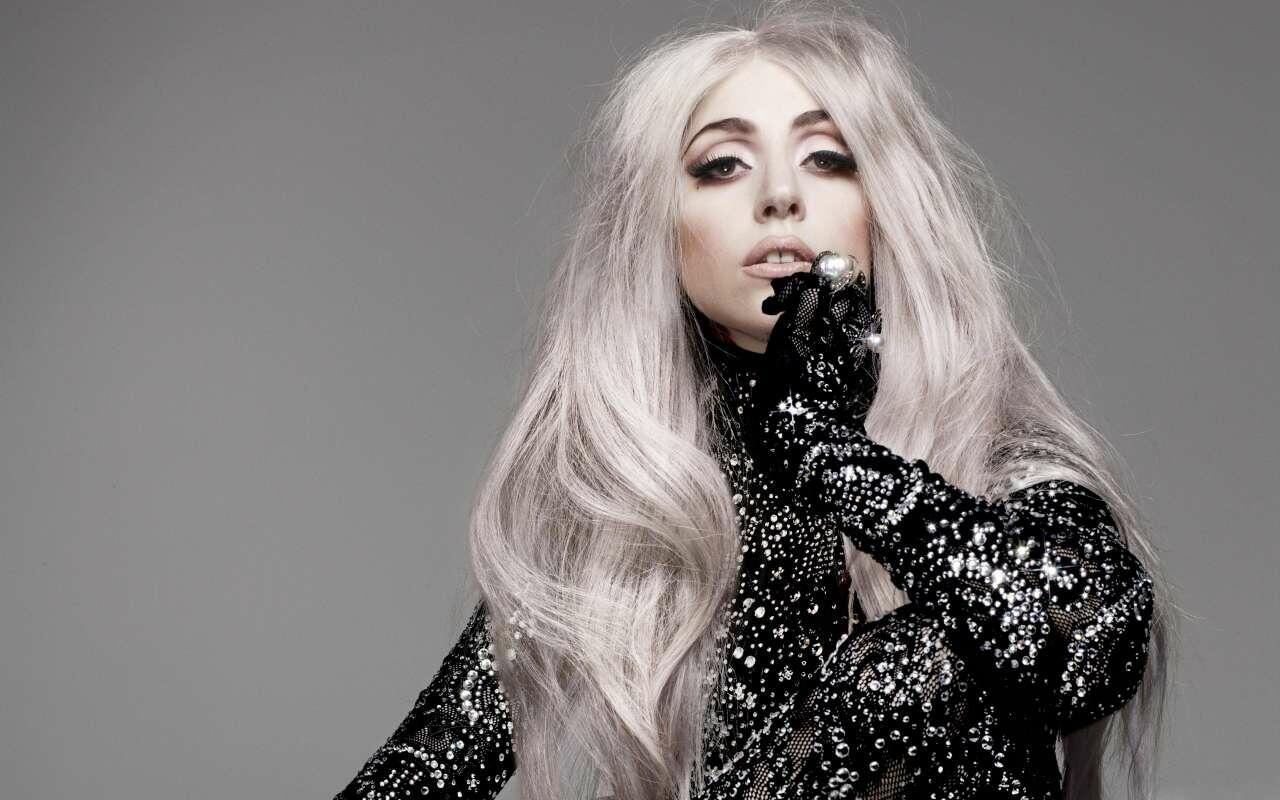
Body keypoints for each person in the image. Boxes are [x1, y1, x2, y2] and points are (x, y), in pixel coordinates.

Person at [332, 3, 1178, 799]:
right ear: (659, 227)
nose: (779, 195)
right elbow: (423, 766)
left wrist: (817, 443)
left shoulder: (993, 454)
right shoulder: (627, 499)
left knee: (929, 663)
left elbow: (1091, 645)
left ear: (884, 207)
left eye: (828, 158)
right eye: (722, 165)